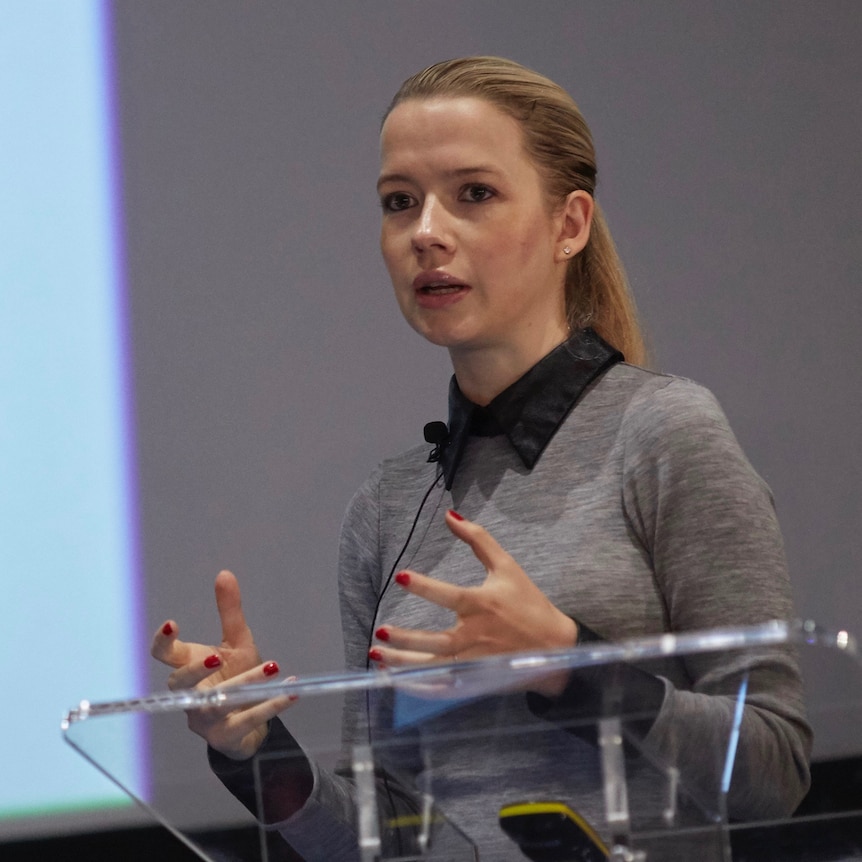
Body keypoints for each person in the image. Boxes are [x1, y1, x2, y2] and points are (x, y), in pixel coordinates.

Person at [152, 56, 811, 860]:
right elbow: (379, 836)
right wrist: (254, 748)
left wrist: (568, 664)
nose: (426, 231)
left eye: (474, 194)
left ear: (570, 224)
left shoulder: (666, 433)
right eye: (400, 202)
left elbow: (774, 771)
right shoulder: (386, 510)